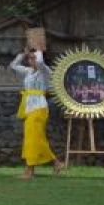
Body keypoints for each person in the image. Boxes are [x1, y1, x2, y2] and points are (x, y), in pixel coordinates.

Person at [9, 48, 64, 179]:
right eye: (30, 59)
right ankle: (56, 163)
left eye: (33, 58)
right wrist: (23, 54)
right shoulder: (28, 71)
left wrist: (39, 50)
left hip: (39, 107)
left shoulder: (44, 70)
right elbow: (13, 65)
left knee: (33, 139)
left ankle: (30, 170)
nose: (31, 60)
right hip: (29, 108)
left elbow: (39, 62)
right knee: (36, 139)